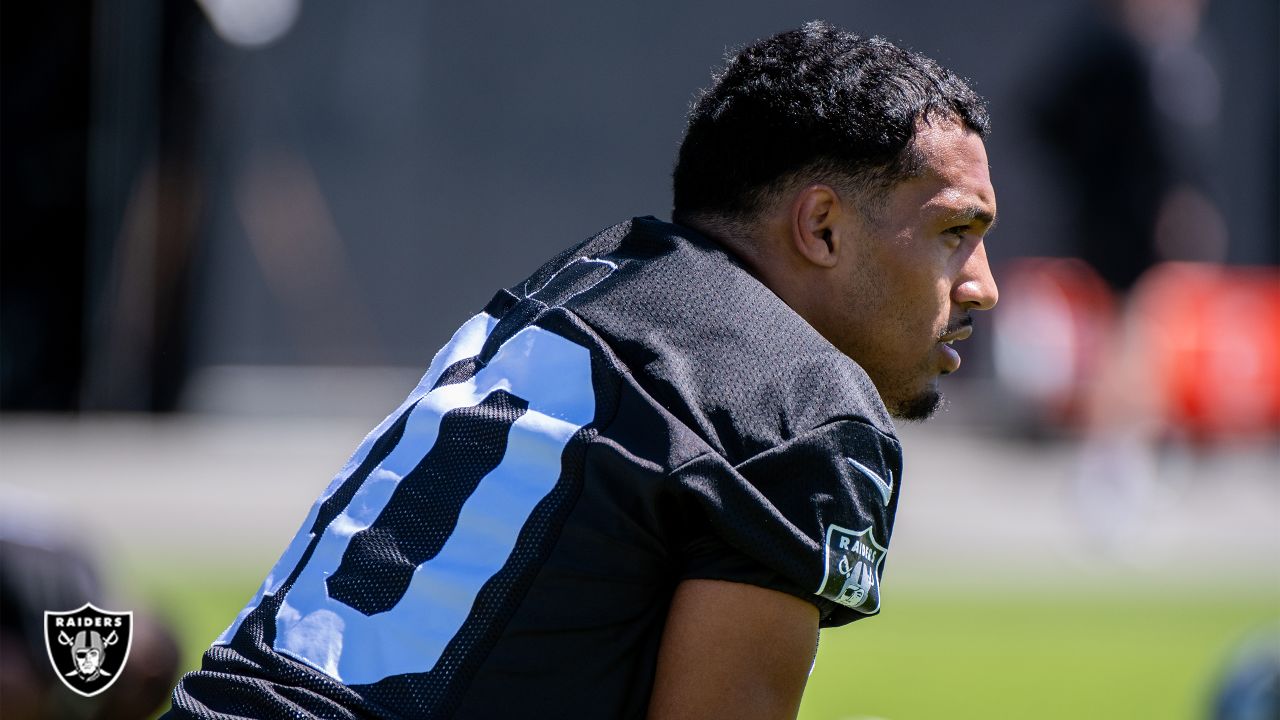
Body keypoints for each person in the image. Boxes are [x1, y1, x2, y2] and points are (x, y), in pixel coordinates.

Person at [163, 20, 998, 719]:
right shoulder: (805, 403)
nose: (984, 286)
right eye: (954, 234)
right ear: (820, 227)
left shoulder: (577, 286)